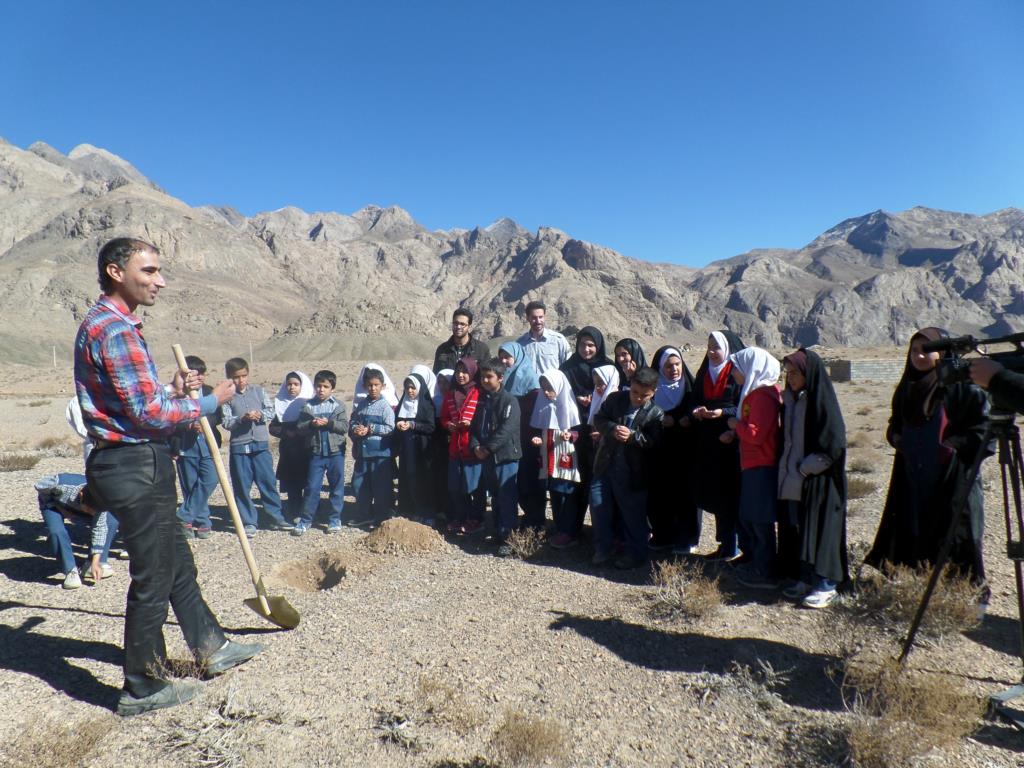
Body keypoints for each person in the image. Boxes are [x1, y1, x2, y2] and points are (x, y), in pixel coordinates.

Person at [74, 237, 259, 716]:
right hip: (134, 463)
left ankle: (211, 646)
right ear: (116, 272)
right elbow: (148, 413)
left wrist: (172, 390)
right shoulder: (115, 329)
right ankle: (143, 685)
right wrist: (209, 401)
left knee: (176, 561)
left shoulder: (110, 325)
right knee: (154, 575)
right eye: (150, 271)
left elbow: (139, 398)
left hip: (134, 461)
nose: (161, 281)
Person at [866, 327, 991, 592]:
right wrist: (896, 437)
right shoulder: (907, 388)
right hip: (914, 476)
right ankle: (920, 585)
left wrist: (952, 448)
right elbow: (895, 423)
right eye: (914, 350)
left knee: (954, 534)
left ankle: (966, 594)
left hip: (950, 479)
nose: (919, 356)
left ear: (942, 353)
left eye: (927, 350)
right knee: (914, 529)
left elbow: (984, 430)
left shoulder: (961, 387)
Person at [776, 349, 849, 608]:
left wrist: (808, 467)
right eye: (788, 373)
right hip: (797, 478)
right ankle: (805, 578)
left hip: (820, 481)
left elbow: (834, 443)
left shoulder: (820, 401)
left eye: (795, 373)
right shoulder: (792, 401)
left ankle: (826, 584)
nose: (791, 378)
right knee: (800, 529)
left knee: (822, 531)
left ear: (809, 374)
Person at [590, 367, 664, 569]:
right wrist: (612, 429)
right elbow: (599, 419)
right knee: (598, 506)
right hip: (605, 464)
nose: (638, 398)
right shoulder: (615, 400)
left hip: (632, 472)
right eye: (635, 392)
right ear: (630, 385)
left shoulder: (655, 414)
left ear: (654, 392)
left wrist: (633, 437)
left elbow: (654, 442)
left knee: (633, 514)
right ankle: (603, 549)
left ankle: (636, 554)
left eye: (644, 395)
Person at [724, 347, 783, 590]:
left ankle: (765, 570)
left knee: (760, 519)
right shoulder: (753, 394)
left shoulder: (763, 396)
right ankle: (755, 561)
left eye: (736, 368)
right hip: (752, 464)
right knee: (751, 516)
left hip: (762, 464)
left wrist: (735, 426)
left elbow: (756, 435)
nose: (733, 373)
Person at [685, 331, 745, 561]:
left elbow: (742, 406)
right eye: (709, 346)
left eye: (716, 347)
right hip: (708, 442)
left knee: (730, 492)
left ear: (728, 349)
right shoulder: (705, 372)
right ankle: (724, 543)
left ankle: (734, 545)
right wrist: (696, 411)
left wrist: (722, 412)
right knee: (716, 492)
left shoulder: (736, 373)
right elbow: (694, 399)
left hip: (730, 440)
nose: (711, 351)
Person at [221, 357, 293, 537]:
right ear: (229, 377)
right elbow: (226, 422)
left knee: (267, 482)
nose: (241, 380)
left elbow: (271, 411)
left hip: (260, 445)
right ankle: (248, 522)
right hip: (239, 447)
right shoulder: (227, 397)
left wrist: (259, 415)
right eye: (236, 377)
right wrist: (242, 419)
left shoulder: (259, 392)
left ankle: (276, 517)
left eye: (244, 376)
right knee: (242, 485)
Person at [648, 345, 697, 555]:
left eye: (677, 364)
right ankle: (662, 535)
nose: (674, 369)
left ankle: (686, 538)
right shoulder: (653, 390)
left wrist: (688, 419)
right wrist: (659, 421)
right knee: (660, 493)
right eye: (668, 366)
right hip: (659, 452)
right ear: (660, 368)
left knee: (685, 494)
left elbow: (698, 411)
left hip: (685, 452)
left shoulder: (692, 388)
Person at [470, 359, 522, 554]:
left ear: (500, 377)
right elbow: (475, 426)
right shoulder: (482, 399)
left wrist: (488, 448)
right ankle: (498, 532)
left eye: (489, 376)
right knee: (495, 496)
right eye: (482, 376)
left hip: (505, 456)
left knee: (506, 496)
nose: (484, 380)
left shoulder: (509, 400)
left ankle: (509, 538)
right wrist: (475, 446)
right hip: (487, 456)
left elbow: (506, 430)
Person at [34, 472, 117, 588]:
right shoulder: (59, 485)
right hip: (53, 504)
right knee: (56, 531)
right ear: (81, 495)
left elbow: (99, 530)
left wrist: (95, 561)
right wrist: (56, 506)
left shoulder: (100, 501)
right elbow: (39, 485)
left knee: (111, 520)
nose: (92, 514)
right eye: (89, 510)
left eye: (94, 511)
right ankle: (70, 570)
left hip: (78, 507)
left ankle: (92, 565)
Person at [529, 369, 583, 548]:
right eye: (544, 388)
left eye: (550, 388)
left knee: (566, 493)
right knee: (554, 493)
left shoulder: (570, 406)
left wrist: (572, 435)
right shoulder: (542, 406)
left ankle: (568, 531)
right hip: (548, 458)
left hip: (566, 459)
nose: (546, 392)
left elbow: (579, 431)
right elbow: (538, 429)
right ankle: (560, 528)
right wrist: (537, 439)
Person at [172, 355, 223, 539]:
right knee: (191, 485)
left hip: (208, 445)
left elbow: (218, 415)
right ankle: (200, 522)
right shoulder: (178, 395)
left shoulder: (210, 392)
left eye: (202, 373)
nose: (200, 377)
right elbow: (171, 419)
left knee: (211, 479)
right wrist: (188, 425)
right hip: (187, 446)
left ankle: (184, 515)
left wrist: (206, 422)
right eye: (196, 373)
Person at [294, 370, 349, 535]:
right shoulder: (308, 406)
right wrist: (311, 424)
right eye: (318, 386)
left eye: (325, 386)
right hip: (316, 453)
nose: (321, 389)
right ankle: (306, 520)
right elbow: (300, 428)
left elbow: (344, 427)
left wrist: (329, 423)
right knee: (312, 487)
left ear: (332, 388)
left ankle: (335, 519)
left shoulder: (338, 406)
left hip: (336, 453)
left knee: (336, 487)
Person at [498, 342, 545, 531]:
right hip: (512, 438)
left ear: (517, 357)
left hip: (529, 438)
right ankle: (527, 519)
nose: (504, 361)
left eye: (507, 357)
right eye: (501, 357)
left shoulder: (530, 381)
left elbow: (536, 412)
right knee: (516, 481)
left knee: (529, 480)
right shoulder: (504, 380)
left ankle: (536, 521)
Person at [440, 358, 484, 534]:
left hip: (472, 448)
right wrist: (448, 425)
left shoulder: (479, 393)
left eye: (465, 371)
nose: (460, 375)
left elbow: (483, 419)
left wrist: (471, 424)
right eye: (458, 371)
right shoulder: (451, 394)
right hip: (455, 449)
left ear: (472, 372)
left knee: (473, 487)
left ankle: (476, 519)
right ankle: (461, 517)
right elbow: (444, 417)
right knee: (455, 487)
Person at [349, 366, 396, 524]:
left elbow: (390, 428)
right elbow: (354, 421)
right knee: (359, 484)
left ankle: (381, 517)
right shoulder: (362, 405)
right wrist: (356, 429)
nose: (373, 388)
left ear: (383, 386)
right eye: (370, 385)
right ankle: (364, 514)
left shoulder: (385, 407)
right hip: (363, 452)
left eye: (376, 385)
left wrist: (371, 429)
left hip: (380, 454)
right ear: (364, 386)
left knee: (380, 487)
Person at [269, 370, 314, 525]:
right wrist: (285, 432)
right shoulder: (280, 404)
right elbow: (273, 427)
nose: (292, 387)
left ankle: (309, 511)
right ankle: (294, 511)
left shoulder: (309, 403)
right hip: (288, 451)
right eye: (289, 384)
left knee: (308, 482)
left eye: (296, 384)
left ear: (302, 386)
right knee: (292, 484)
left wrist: (302, 431)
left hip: (306, 450)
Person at [395, 369, 437, 523]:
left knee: (423, 479)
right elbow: (397, 421)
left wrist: (413, 425)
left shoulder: (426, 405)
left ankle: (427, 513)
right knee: (409, 477)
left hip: (422, 449)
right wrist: (399, 424)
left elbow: (430, 427)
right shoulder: (403, 403)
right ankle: (411, 509)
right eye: (407, 387)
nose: (410, 391)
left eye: (413, 387)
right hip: (407, 448)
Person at [517, 300, 571, 374]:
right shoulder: (520, 344)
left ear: (544, 317)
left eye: (540, 317)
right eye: (534, 318)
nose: (538, 321)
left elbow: (569, 366)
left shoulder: (558, 340)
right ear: (528, 318)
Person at [433, 307, 491, 374]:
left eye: (462, 324)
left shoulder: (482, 349)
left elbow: (486, 375)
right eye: (456, 323)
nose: (458, 327)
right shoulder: (442, 349)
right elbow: (436, 375)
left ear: (469, 326)